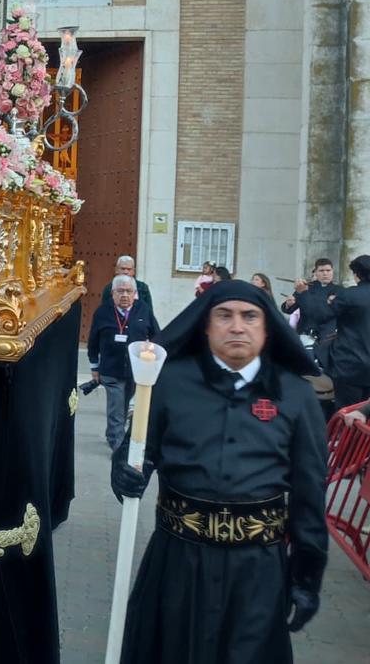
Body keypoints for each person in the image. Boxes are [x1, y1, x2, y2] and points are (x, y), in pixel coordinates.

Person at [112, 280, 327, 663]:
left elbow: (310, 491)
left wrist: (306, 577)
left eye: (250, 317)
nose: (237, 326)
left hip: (257, 570)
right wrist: (124, 473)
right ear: (206, 326)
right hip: (178, 562)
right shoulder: (169, 382)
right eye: (224, 316)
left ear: (267, 328)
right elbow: (139, 449)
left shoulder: (295, 395)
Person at [88, 274, 160, 450]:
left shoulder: (143, 309)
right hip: (110, 370)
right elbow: (93, 341)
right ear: (113, 293)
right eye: (120, 291)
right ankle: (118, 445)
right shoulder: (102, 312)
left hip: (135, 370)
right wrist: (94, 367)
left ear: (135, 293)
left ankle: (112, 433)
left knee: (125, 404)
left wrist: (152, 356)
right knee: (117, 407)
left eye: (129, 291)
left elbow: (156, 335)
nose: (125, 295)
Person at [282, 257, 341, 370]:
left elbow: (323, 313)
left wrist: (303, 293)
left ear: (332, 272)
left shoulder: (339, 290)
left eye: (328, 270)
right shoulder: (306, 287)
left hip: (326, 340)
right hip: (305, 335)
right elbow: (288, 309)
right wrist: (289, 304)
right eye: (321, 271)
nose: (325, 274)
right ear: (316, 272)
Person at [328, 255, 370, 410]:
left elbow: (323, 315)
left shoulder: (348, 295)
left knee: (347, 412)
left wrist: (331, 302)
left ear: (356, 274)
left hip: (349, 363)